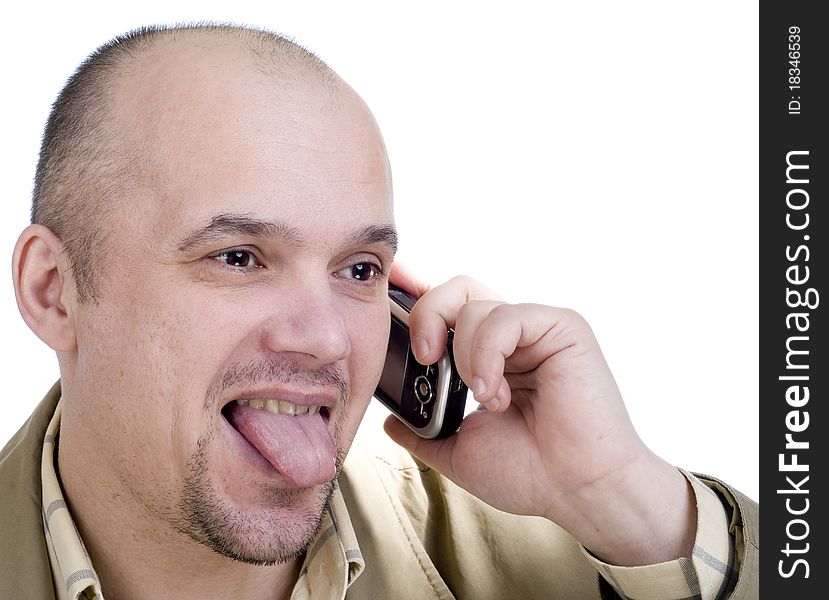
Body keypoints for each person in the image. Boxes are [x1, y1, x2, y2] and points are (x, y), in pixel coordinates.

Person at [0, 24, 758, 600]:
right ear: (52, 290)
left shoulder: (561, 549)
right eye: (238, 256)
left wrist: (624, 501)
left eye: (358, 270)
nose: (328, 337)